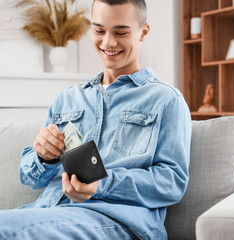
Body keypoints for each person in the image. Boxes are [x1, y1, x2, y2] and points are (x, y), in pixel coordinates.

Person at [0, 0, 192, 239]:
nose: (108, 42)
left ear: (143, 32)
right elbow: (29, 178)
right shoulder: (68, 99)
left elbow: (171, 182)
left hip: (115, 221)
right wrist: (43, 157)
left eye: (121, 32)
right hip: (48, 212)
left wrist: (101, 184)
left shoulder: (166, 100)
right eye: (99, 30)